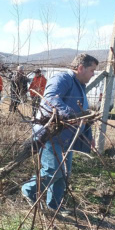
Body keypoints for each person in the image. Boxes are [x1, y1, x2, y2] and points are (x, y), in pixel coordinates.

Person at [21, 53, 99, 214]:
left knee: (64, 173)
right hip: (50, 134)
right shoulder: (62, 79)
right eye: (92, 70)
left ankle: (54, 206)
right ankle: (29, 190)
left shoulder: (80, 87)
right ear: (81, 68)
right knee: (53, 170)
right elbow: (50, 99)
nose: (93, 74)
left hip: (67, 138)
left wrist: (88, 137)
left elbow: (83, 116)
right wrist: (69, 114)